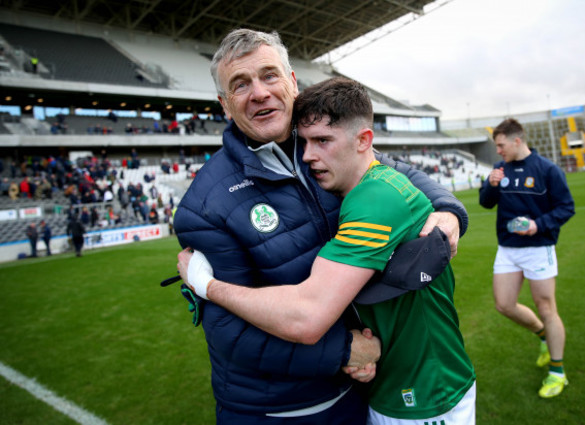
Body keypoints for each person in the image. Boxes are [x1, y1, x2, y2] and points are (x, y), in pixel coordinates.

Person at [172, 29, 469, 424]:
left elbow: (396, 172)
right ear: (225, 105)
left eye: (269, 75)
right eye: (240, 84)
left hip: (358, 392)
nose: (259, 92)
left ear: (293, 82)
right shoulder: (206, 204)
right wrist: (343, 351)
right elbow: (228, 329)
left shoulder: (324, 146)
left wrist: (449, 210)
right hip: (274, 410)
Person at [479, 118, 575, 398]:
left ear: (517, 140)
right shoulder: (499, 169)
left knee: (546, 308)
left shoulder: (547, 170)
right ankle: (542, 335)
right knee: (504, 304)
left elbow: (566, 208)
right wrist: (491, 184)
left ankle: (557, 372)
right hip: (507, 249)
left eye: (501, 145)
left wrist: (538, 225)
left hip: (538, 248)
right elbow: (486, 202)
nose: (498, 151)